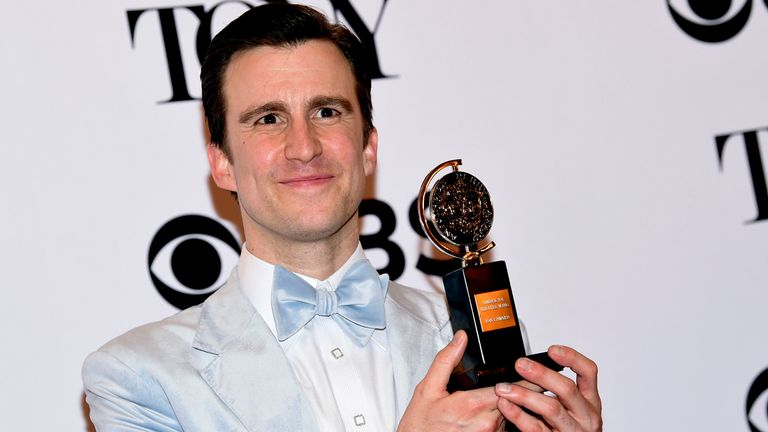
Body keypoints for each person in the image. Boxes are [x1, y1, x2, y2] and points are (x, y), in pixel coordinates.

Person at [82, 4, 602, 431]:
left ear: (368, 147)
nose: (303, 146)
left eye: (327, 111)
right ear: (222, 162)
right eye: (268, 119)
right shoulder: (140, 379)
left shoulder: (474, 337)